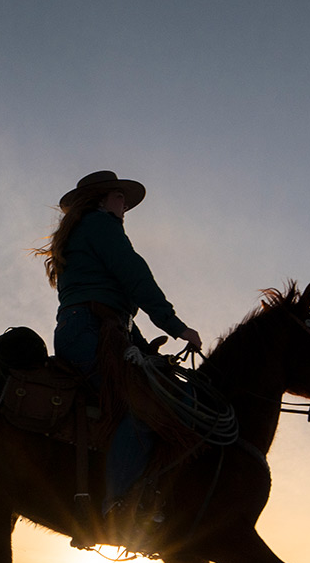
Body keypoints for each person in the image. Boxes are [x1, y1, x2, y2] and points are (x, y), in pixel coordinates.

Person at [36, 170, 202, 518]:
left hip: (93, 328)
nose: (124, 205)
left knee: (157, 391)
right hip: (91, 331)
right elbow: (135, 276)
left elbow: (116, 307)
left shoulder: (82, 232)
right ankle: (120, 503)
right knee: (145, 404)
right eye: (119, 197)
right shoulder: (101, 225)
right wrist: (176, 327)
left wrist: (143, 347)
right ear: (101, 199)